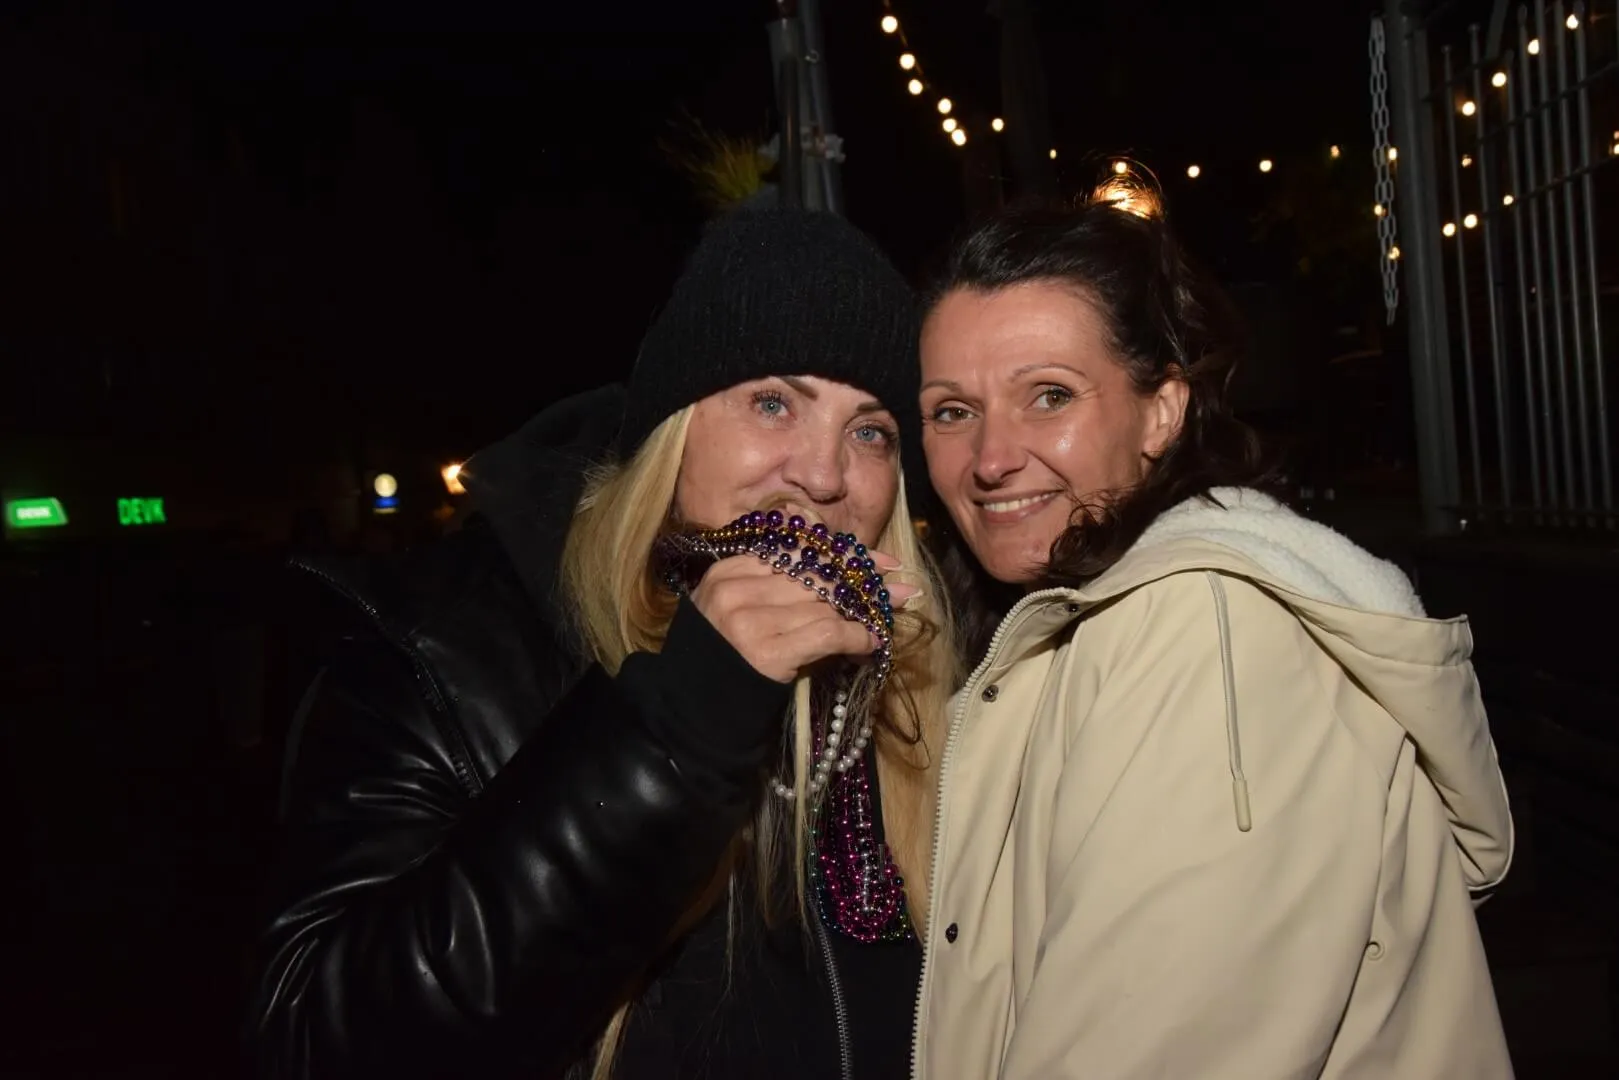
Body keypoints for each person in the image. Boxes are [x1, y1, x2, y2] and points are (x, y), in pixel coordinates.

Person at [248, 207, 959, 1080]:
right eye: (772, 403)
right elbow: (322, 1040)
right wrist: (681, 723)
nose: (821, 476)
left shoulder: (922, 676)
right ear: (671, 431)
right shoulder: (454, 650)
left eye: (870, 431)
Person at [908, 195, 1515, 1078]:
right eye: (951, 411)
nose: (991, 456)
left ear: (1161, 411)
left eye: (1049, 396)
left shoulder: (1205, 628)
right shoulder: (1078, 619)